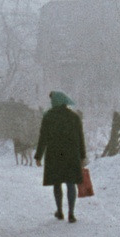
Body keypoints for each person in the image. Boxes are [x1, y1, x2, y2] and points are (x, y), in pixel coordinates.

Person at [34, 90, 86, 222]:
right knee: (70, 183)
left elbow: (43, 138)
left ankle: (60, 211)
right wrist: (82, 156)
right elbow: (80, 138)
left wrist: (38, 156)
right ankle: (71, 213)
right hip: (71, 155)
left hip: (55, 155)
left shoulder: (48, 117)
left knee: (57, 183)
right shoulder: (74, 117)